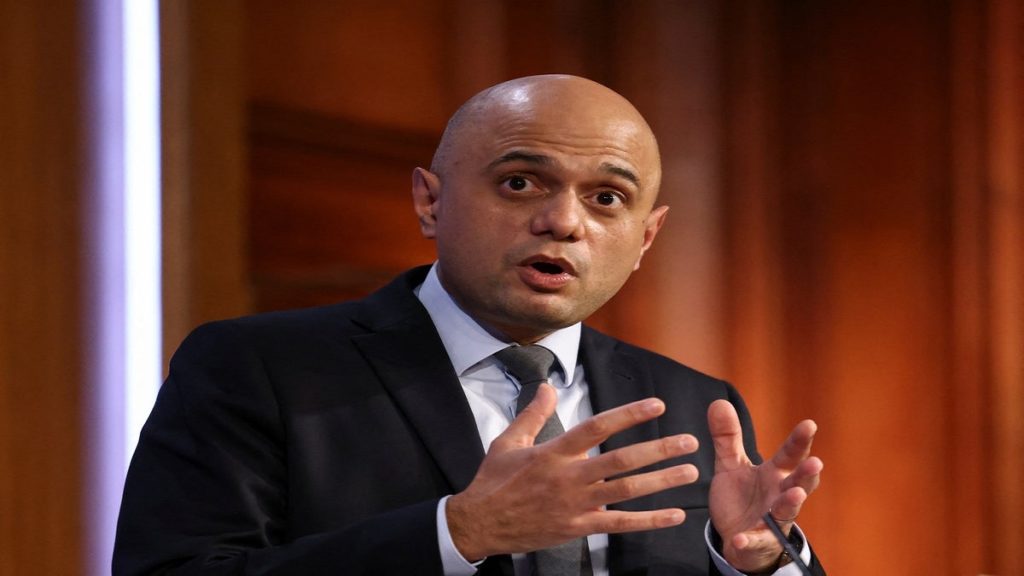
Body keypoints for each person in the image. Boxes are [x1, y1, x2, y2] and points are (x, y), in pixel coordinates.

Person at [114, 74, 824, 575]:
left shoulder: (694, 403)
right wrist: (457, 534)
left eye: (607, 198)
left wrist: (759, 562)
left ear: (645, 238)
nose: (563, 221)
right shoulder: (257, 369)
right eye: (520, 182)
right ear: (430, 201)